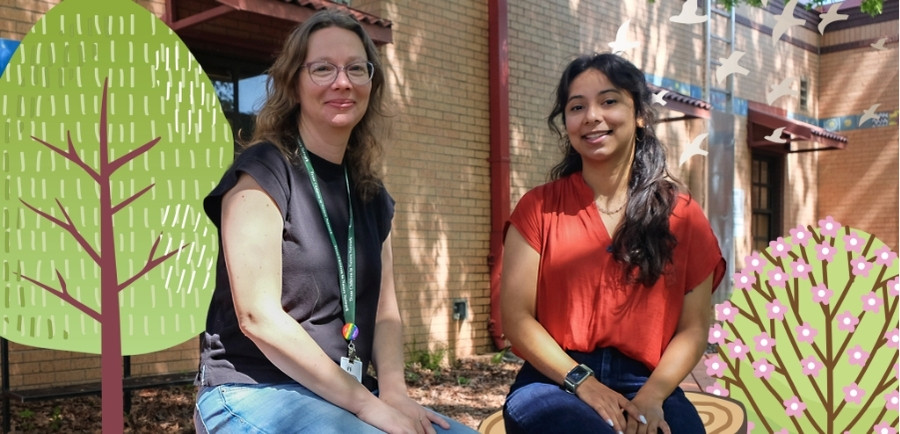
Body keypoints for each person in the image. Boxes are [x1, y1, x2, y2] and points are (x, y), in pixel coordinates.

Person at [193, 10, 475, 434]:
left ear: (370, 83)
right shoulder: (262, 173)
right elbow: (257, 317)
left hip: (344, 396)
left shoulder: (369, 193)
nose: (341, 82)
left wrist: (394, 392)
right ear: (294, 83)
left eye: (356, 69)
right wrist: (368, 406)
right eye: (322, 68)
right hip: (254, 388)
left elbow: (385, 313)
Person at [500, 53, 726, 434]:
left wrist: (653, 397)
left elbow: (693, 328)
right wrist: (583, 383)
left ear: (639, 114)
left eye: (609, 101)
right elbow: (516, 318)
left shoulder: (683, 215)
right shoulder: (538, 208)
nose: (591, 116)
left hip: (650, 382)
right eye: (577, 106)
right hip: (555, 380)